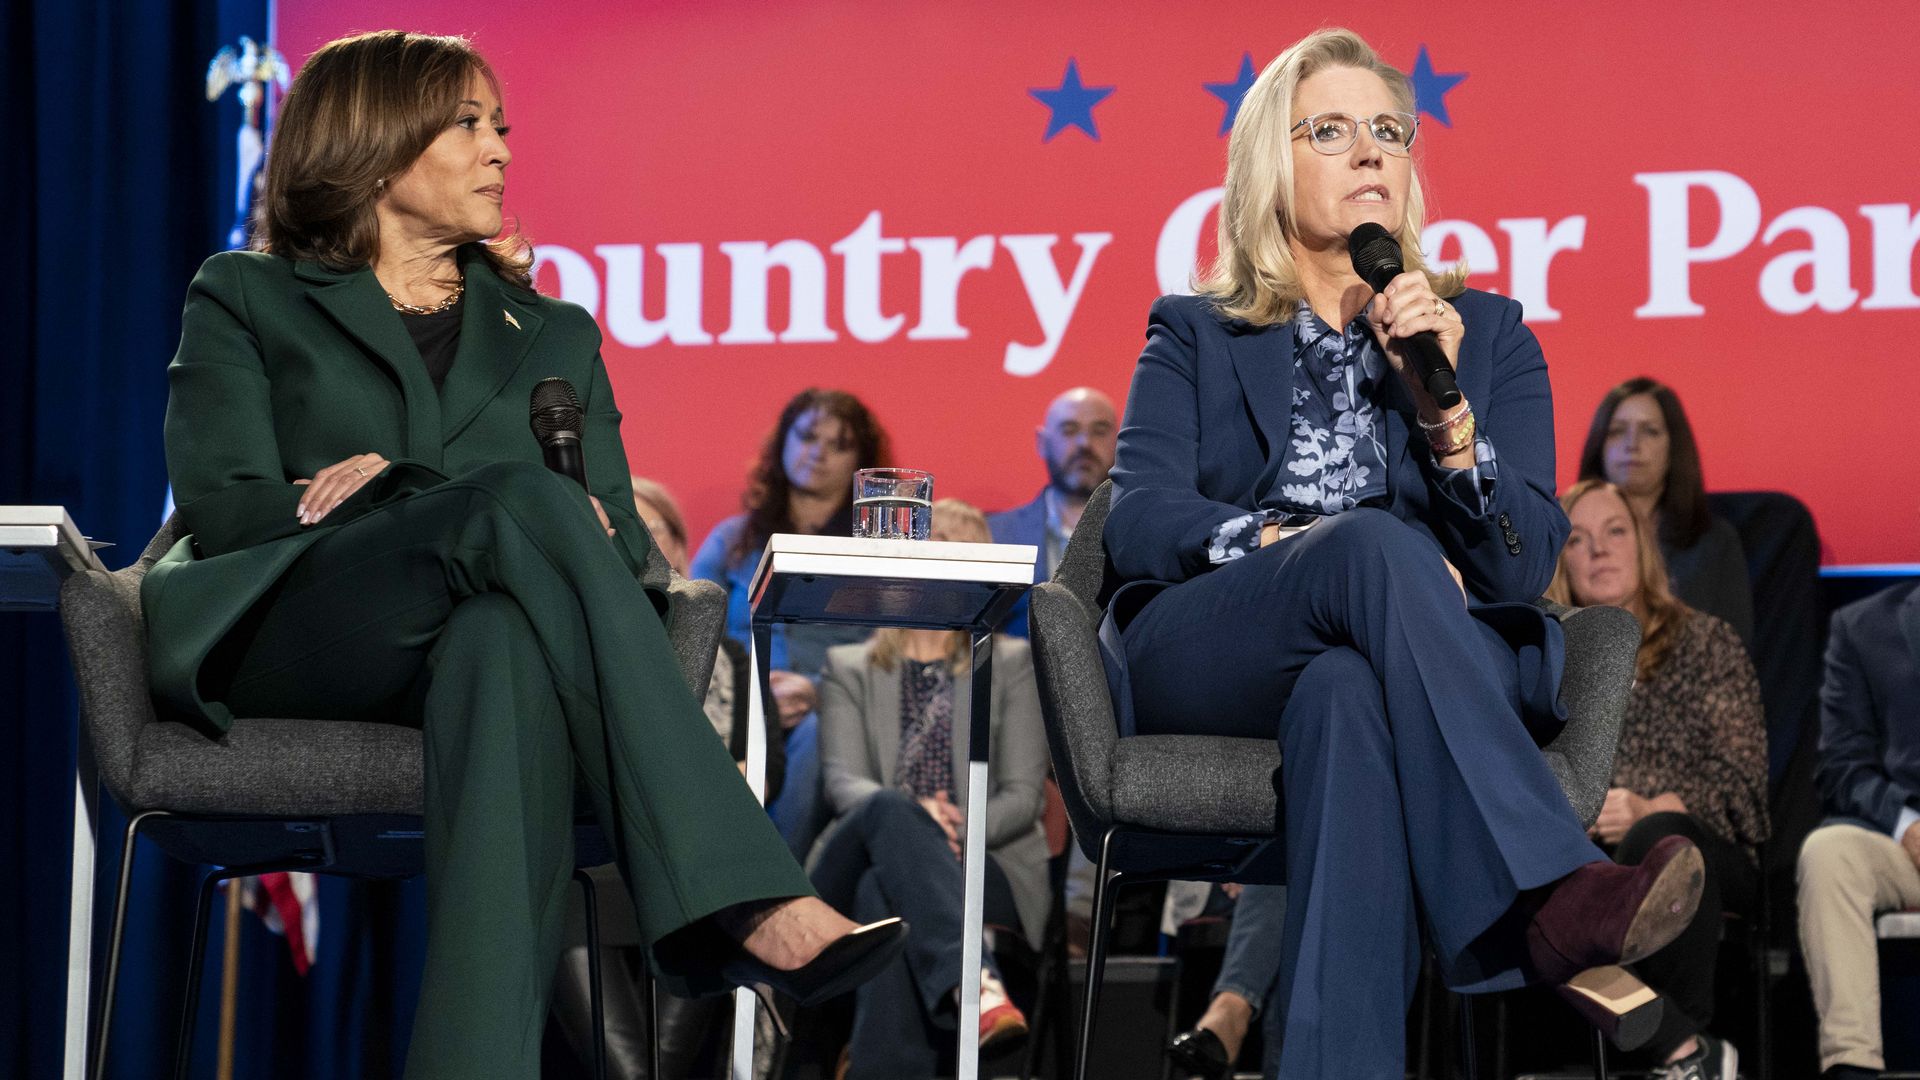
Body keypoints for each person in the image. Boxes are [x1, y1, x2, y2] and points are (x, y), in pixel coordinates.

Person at [142, 31, 903, 1078]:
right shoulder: (247, 293)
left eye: (502, 125)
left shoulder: (553, 333)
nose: (500, 148)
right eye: (468, 123)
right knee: (509, 499)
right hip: (292, 632)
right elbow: (226, 510)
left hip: (469, 652)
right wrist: (430, 505)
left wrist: (540, 520)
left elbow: (630, 550)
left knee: (501, 639)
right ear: (375, 145)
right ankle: (743, 887)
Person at [1099, 28, 1705, 1079]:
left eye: (1389, 131)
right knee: (1369, 547)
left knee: (1343, 696)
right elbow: (1140, 517)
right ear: (1267, 165)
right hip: (1219, 647)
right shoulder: (1197, 331)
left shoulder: (1491, 332)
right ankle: (1555, 895)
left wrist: (1444, 410)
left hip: (1399, 670)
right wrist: (1289, 541)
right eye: (1330, 130)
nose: (1371, 152)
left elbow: (1520, 569)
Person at [551, 476, 788, 1079]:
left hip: (695, 866)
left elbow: (766, 768)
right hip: (591, 860)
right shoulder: (563, 645)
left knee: (664, 1065)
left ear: (681, 549)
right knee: (630, 1069)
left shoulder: (735, 657)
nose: (640, 545)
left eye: (653, 531)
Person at [809, 500, 1050, 1077]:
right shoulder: (849, 666)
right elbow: (844, 785)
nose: (942, 564)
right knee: (890, 816)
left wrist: (958, 827)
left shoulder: (1011, 664)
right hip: (867, 840)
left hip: (983, 856)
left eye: (959, 551)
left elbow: (1022, 795)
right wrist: (918, 820)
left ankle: (875, 1063)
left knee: (883, 896)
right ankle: (976, 983)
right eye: (931, 548)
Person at [1547, 480, 1768, 1080]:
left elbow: (1744, 787)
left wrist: (1650, 807)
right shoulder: (1542, 658)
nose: (1598, 550)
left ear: (1643, 545)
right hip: (1579, 859)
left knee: (1660, 841)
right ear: (1557, 558)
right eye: (1576, 538)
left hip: (1703, 853)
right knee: (1524, 878)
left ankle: (1674, 1046)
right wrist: (1574, 808)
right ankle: (1683, 1052)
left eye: (1615, 531)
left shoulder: (1706, 643)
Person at [690, 388, 892, 857]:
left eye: (838, 444)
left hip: (832, 704)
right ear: (783, 443)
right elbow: (694, 631)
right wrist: (750, 694)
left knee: (825, 730)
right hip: (735, 704)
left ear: (859, 461)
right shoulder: (733, 540)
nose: (817, 453)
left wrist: (820, 688)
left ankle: (776, 887)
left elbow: (891, 647)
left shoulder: (877, 552)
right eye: (806, 436)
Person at [1797, 578, 1920, 1080]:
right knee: (1830, 852)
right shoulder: (1864, 626)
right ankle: (1853, 1065)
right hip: (1910, 842)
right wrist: (1907, 826)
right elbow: (1843, 766)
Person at [1577, 377, 1754, 645]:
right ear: (1598, 445)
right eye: (1616, 431)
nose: (1632, 444)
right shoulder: (1562, 531)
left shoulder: (1713, 541)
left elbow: (1733, 648)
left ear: (1674, 447)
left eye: (1650, 431)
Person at [987, 386, 1119, 637]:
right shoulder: (994, 535)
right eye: (1069, 430)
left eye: (1099, 431)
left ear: (1120, 441)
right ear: (1042, 442)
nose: (1084, 443)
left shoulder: (1142, 536)